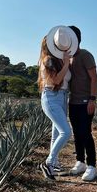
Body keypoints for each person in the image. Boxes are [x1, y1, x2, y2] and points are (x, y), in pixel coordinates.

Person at [38, 25, 78, 180]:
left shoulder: (59, 60)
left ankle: (54, 163)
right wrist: (67, 64)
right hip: (51, 97)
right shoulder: (48, 60)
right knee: (66, 132)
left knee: (56, 133)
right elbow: (55, 80)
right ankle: (48, 162)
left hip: (62, 97)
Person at [68, 25, 97, 181]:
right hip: (72, 101)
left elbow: (94, 77)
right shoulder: (68, 58)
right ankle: (80, 161)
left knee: (86, 133)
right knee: (76, 133)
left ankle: (92, 166)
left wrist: (92, 99)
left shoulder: (85, 55)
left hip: (86, 101)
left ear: (76, 39)